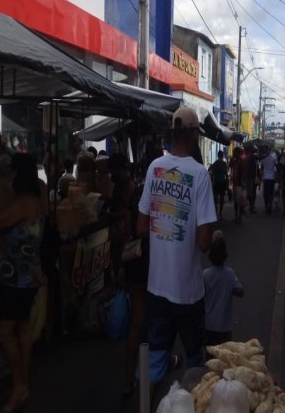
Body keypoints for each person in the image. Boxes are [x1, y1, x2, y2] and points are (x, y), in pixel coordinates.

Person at [137, 107, 217, 397]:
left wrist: (165, 225)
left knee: (155, 359)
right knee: (195, 366)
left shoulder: (154, 167)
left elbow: (141, 225)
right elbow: (205, 241)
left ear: (173, 132)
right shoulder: (199, 175)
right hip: (188, 293)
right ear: (195, 135)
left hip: (156, 288)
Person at [0, 153, 45, 413]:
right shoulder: (36, 199)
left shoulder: (21, 202)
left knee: (4, 331)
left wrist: (0, 190)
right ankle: (23, 383)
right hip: (29, 276)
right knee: (23, 330)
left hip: (17, 279)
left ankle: (19, 385)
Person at [123, 147, 161, 397]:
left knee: (137, 322)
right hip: (154, 261)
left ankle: (128, 379)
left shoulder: (135, 192)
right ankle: (148, 380)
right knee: (154, 323)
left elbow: (127, 228)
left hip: (133, 259)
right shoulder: (159, 194)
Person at [203, 230, 244, 347]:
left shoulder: (205, 274)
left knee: (210, 358)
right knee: (224, 359)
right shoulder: (229, 274)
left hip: (208, 325)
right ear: (225, 255)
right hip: (224, 327)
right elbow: (240, 291)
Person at [107, 153, 136, 278]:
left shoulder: (128, 185)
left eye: (113, 170)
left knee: (122, 263)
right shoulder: (120, 183)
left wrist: (109, 215)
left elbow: (126, 211)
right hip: (118, 230)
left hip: (123, 230)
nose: (111, 173)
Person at [208, 151, 228, 220]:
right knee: (221, 198)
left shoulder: (215, 163)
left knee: (215, 199)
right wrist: (227, 185)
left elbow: (210, 171)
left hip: (216, 183)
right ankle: (220, 213)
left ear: (218, 156)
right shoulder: (224, 164)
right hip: (222, 182)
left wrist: (211, 182)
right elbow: (226, 175)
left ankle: (216, 213)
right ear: (222, 156)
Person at [229, 147, 245, 223]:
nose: (235, 154)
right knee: (235, 201)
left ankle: (240, 216)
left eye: (236, 152)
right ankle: (236, 216)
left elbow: (244, 173)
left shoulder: (241, 161)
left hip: (239, 184)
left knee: (240, 202)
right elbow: (230, 167)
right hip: (234, 184)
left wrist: (243, 184)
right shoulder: (233, 161)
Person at [260, 148, 278, 214]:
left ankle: (266, 207)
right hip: (271, 178)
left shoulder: (263, 157)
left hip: (265, 178)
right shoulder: (274, 157)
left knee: (266, 194)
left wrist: (261, 175)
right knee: (270, 193)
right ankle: (269, 205)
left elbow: (261, 168)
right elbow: (276, 165)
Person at [243, 147, 260, 214]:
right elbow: (255, 168)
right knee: (251, 194)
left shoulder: (247, 158)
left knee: (250, 194)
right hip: (251, 178)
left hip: (249, 178)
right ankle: (250, 207)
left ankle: (248, 207)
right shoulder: (252, 158)